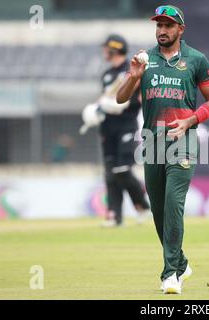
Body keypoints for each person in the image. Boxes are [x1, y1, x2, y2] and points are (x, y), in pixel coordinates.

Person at [117, 5, 209, 294]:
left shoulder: (197, 60)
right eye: (159, 26)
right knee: (159, 210)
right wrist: (133, 76)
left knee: (174, 204)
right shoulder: (144, 59)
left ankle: (170, 274)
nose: (162, 30)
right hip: (152, 142)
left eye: (168, 25)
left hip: (183, 138)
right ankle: (182, 262)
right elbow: (120, 98)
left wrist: (191, 120)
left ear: (180, 30)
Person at [95, 34, 150, 227]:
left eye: (106, 48)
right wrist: (96, 110)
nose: (104, 51)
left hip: (126, 125)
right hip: (107, 127)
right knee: (110, 172)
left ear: (114, 49)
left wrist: (122, 104)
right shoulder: (107, 74)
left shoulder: (132, 69)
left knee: (122, 170)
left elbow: (140, 97)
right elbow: (104, 99)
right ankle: (114, 216)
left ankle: (142, 205)